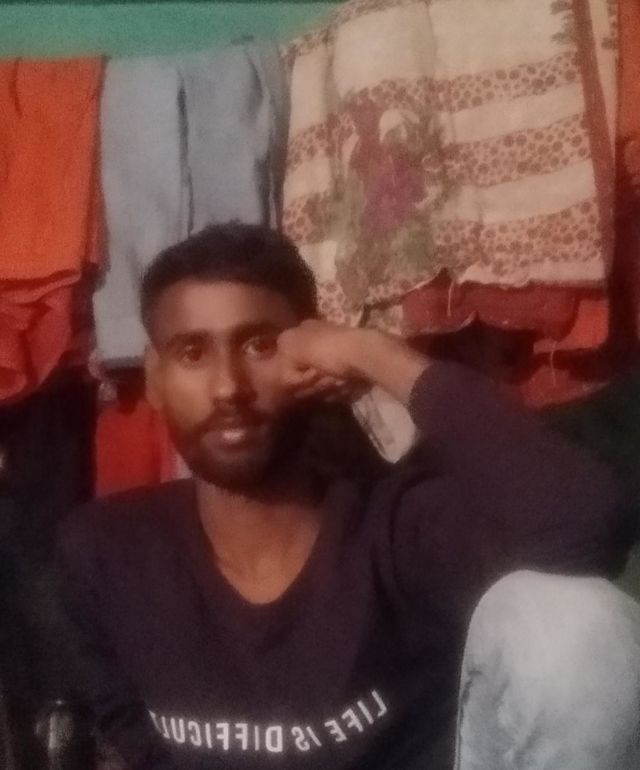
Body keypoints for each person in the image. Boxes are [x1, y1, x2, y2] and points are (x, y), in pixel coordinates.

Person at [57, 224, 640, 770]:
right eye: (192, 353)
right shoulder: (106, 553)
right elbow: (130, 734)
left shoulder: (397, 530)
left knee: (577, 626)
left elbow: (583, 524)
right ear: (154, 378)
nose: (229, 387)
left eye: (260, 345)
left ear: (314, 357)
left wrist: (374, 355)